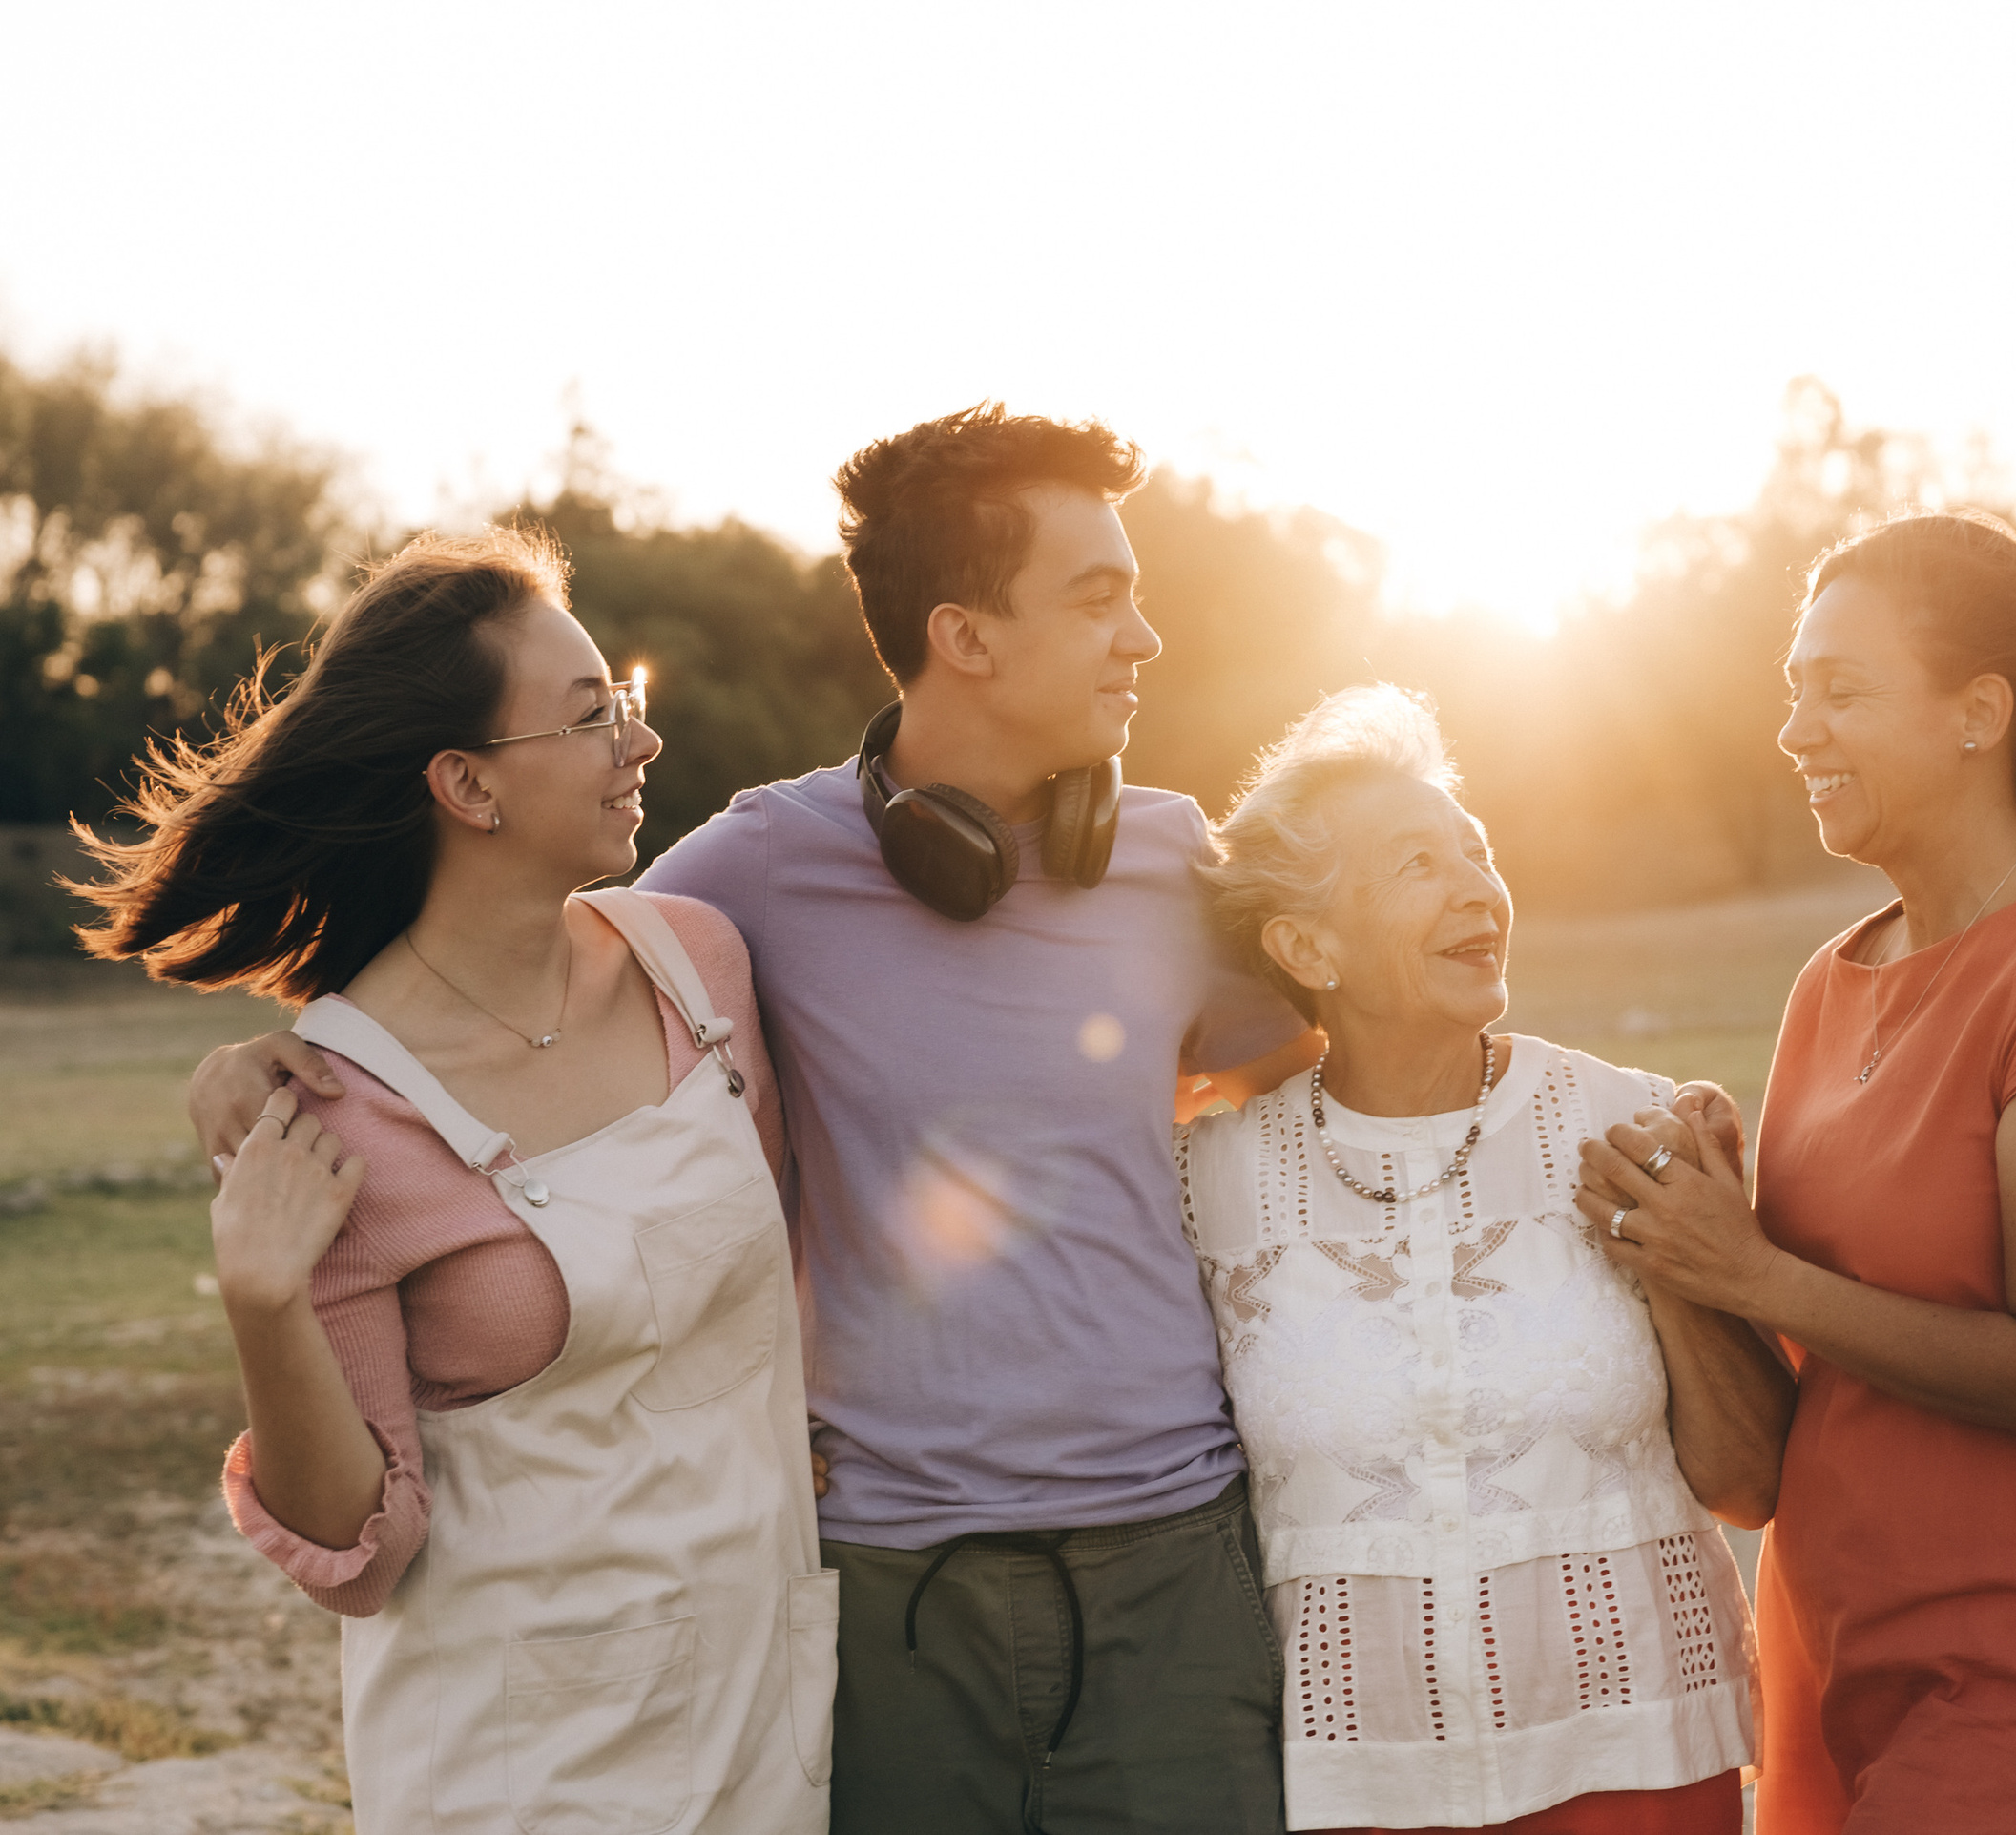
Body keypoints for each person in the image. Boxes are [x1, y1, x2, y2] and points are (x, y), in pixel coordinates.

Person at [190, 407, 1319, 1834]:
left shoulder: (1160, 858)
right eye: (1100, 597)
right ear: (963, 634)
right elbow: (500, 942)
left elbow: (1312, 1061)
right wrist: (260, 1061)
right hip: (883, 1589)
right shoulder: (748, 884)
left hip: (1167, 1556)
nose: (1145, 636)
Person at [97, 529, 832, 1832]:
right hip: (514, 1760)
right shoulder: (338, 1107)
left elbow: (785, 1285)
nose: (640, 743)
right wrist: (265, 1300)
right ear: (468, 785)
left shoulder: (700, 968)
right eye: (593, 714)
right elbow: (358, 1545)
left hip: (764, 1707)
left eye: (629, 702)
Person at [1573, 510, 2016, 1834]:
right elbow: (1792, 1385)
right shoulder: (1831, 979)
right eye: (1792, 690)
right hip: (1834, 1642)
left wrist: (1752, 1264)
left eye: (1841, 690)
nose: (1795, 730)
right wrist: (1702, 1223)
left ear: (1978, 712)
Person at [1183, 684, 1795, 1835]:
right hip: (1353, 1780)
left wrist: (1667, 1258)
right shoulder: (1204, 1184)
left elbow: (1749, 1480)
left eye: (1478, 852)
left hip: (1639, 1753)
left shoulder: (1634, 1123)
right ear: (1305, 944)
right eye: (1417, 864)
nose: (1478, 890)